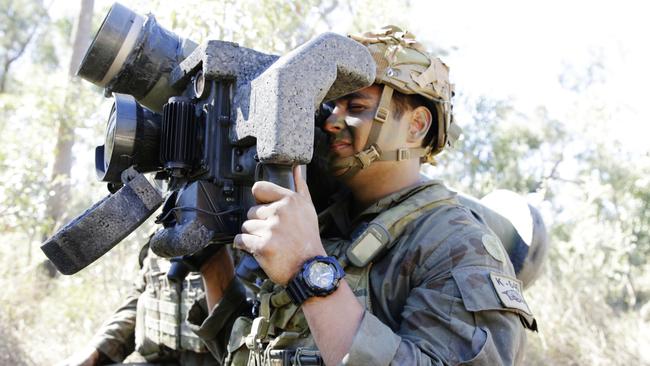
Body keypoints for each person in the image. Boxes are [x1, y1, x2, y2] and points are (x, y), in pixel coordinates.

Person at [59, 241, 220, 366]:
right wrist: (95, 350)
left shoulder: (234, 237)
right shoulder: (162, 237)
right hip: (155, 361)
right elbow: (135, 304)